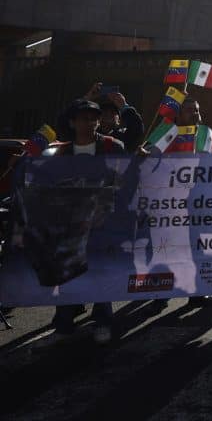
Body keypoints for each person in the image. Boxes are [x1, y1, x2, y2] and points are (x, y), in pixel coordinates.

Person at [50, 99, 126, 344]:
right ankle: (63, 323)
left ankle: (102, 321)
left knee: (101, 273)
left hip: (102, 223)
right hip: (71, 224)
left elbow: (126, 179)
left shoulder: (113, 146)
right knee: (68, 274)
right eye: (85, 118)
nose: (91, 122)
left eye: (94, 118)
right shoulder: (61, 152)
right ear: (73, 123)